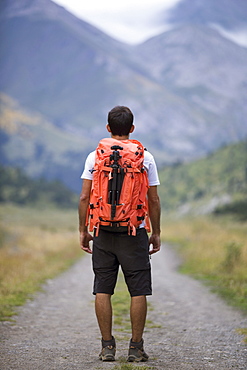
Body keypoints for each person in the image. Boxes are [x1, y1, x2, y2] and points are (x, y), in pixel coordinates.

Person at [78, 106, 161, 362]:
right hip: (133, 231)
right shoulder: (145, 157)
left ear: (108, 128)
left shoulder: (95, 157)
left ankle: (107, 348)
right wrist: (155, 232)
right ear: (132, 129)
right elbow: (154, 199)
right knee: (138, 291)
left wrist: (83, 229)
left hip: (102, 230)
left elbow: (84, 196)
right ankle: (136, 348)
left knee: (102, 288)